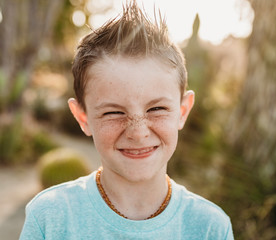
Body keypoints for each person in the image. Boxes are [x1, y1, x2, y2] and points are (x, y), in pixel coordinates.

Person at [20, 1, 234, 239]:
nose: (138, 132)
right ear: (83, 117)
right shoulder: (50, 217)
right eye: (113, 112)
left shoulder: (209, 227)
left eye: (157, 108)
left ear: (182, 111)